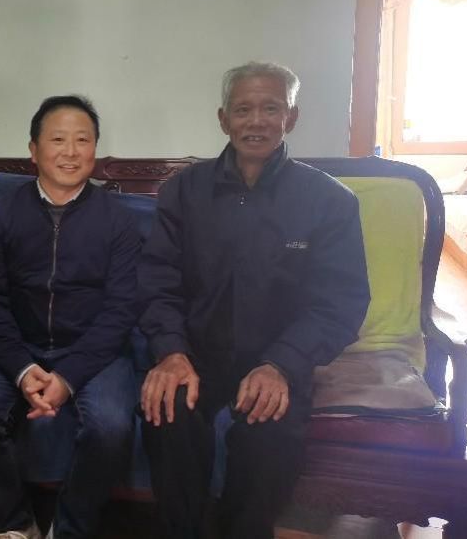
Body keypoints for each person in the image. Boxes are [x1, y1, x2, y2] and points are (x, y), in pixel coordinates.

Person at [138, 62, 371, 539]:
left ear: (291, 117)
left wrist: (283, 363)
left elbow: (339, 302)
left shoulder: (330, 201)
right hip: (194, 355)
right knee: (167, 412)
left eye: (271, 109)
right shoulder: (184, 191)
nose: (256, 122)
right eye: (243, 110)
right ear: (223, 119)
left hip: (277, 358)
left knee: (269, 435)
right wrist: (171, 351)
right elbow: (157, 281)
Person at [0, 95, 140, 539]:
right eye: (58, 139)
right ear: (34, 150)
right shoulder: (4, 213)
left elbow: (121, 308)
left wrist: (69, 376)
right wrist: (21, 369)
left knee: (112, 425)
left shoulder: (117, 219)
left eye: (83, 140)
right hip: (18, 344)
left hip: (94, 349)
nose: (71, 151)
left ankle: (70, 527)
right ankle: (14, 522)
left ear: (95, 149)